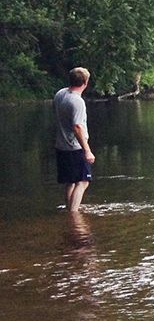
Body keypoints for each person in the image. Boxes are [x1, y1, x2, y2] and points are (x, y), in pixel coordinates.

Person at [54, 67, 96, 212]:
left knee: (71, 182)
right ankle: (73, 213)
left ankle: (69, 209)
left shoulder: (60, 94)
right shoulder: (77, 102)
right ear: (85, 82)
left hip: (61, 145)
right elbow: (77, 127)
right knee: (83, 181)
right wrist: (87, 151)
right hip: (74, 147)